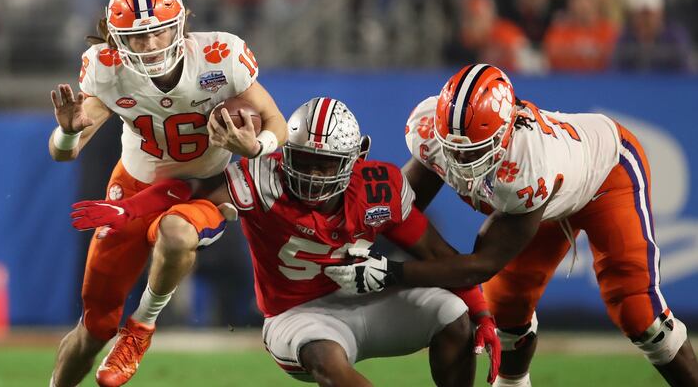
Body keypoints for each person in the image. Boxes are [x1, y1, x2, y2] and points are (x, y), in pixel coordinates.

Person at [71, 97, 502, 386]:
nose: (314, 174)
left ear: (356, 160)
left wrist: (482, 312)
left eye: (325, 163)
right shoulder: (264, 177)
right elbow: (192, 189)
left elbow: (440, 256)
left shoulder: (378, 187)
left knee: (455, 316)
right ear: (286, 153)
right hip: (296, 315)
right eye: (305, 161)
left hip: (368, 303)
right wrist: (132, 208)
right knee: (328, 361)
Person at [325, 64, 698, 387]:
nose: (458, 161)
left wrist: (391, 273)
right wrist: (351, 240)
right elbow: (402, 207)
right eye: (450, 147)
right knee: (506, 312)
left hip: (606, 176)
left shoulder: (527, 165)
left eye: (470, 151)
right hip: (544, 196)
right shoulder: (430, 130)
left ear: (505, 134)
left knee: (639, 314)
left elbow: (482, 264)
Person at [47, 0, 287, 387]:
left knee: (177, 234)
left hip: (207, 186)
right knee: (94, 328)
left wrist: (255, 147)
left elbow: (276, 123)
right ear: (117, 40)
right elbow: (65, 153)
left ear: (180, 23)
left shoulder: (219, 56)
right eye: (137, 38)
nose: (151, 45)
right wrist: (69, 131)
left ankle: (141, 329)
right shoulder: (108, 70)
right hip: (136, 185)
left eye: (158, 32)